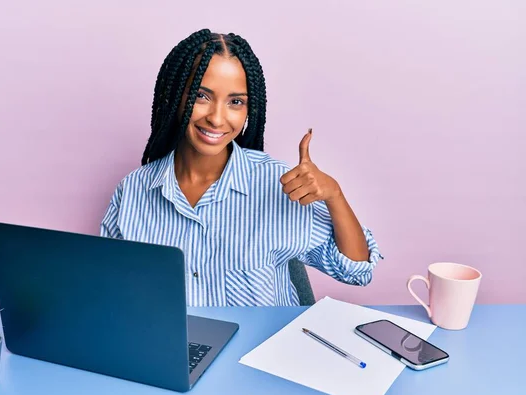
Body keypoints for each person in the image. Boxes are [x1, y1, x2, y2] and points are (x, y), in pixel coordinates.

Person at [100, 29, 383, 306]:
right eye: (201, 96)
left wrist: (335, 195)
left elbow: (356, 271)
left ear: (250, 110)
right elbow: (112, 290)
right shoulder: (134, 190)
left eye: (236, 102)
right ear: (176, 98)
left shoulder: (278, 183)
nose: (217, 118)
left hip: (259, 351)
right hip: (172, 350)